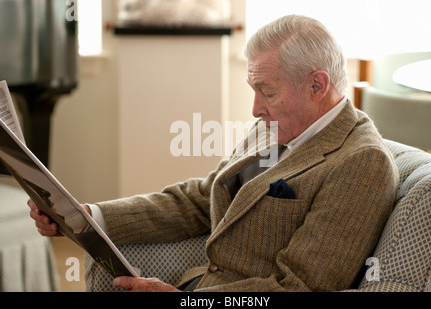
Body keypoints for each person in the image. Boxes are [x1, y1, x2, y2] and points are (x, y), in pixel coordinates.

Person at [29, 14, 399, 292]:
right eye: (253, 90)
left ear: (317, 85)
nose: (255, 109)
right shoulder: (278, 125)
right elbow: (200, 199)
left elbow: (298, 287)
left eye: (266, 91)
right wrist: (89, 216)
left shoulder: (361, 162)